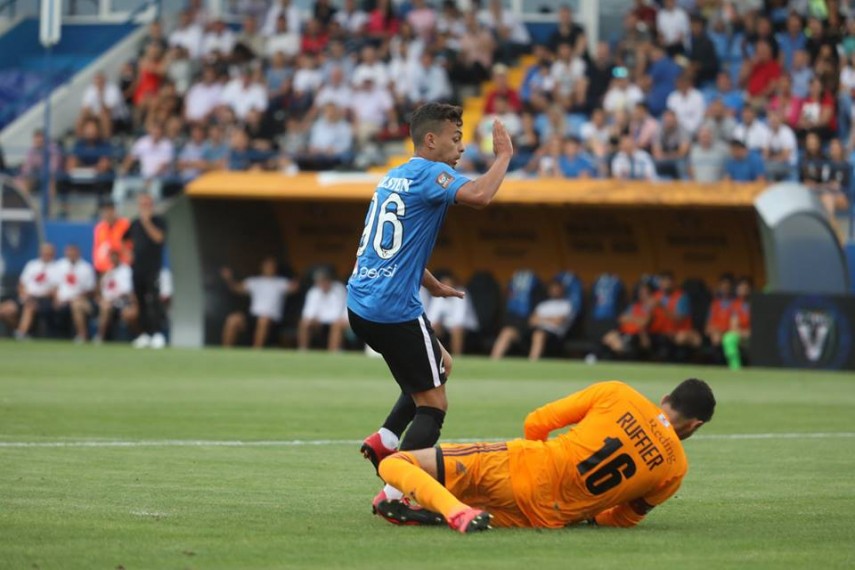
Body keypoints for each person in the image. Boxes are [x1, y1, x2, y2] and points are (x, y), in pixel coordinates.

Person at [347, 103, 513, 511]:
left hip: (361, 303)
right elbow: (479, 195)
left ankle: (385, 439)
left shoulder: (393, 176)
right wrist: (504, 156)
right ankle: (395, 496)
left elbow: (394, 246)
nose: (461, 148)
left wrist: (432, 284)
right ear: (431, 140)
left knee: (441, 364)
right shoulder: (429, 175)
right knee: (434, 405)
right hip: (393, 310)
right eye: (456, 139)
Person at [374, 378, 716, 533]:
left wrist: (536, 462)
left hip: (519, 466)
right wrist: (588, 514)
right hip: (547, 517)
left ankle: (453, 510)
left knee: (395, 463)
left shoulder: (618, 393)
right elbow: (625, 517)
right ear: (695, 425)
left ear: (665, 398)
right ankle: (442, 509)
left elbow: (536, 422)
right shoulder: (675, 468)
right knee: (458, 497)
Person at [220, 257, 299, 348]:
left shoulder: (281, 282)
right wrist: (229, 279)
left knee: (263, 320)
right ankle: (226, 350)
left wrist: (296, 277)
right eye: (267, 266)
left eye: (272, 266)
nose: (269, 268)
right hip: (253, 316)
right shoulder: (254, 281)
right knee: (233, 319)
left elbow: (294, 289)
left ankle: (256, 351)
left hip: (272, 319)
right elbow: (236, 288)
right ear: (262, 267)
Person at [122, 193, 168, 349]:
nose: (145, 207)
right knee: (140, 301)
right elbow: (124, 240)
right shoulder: (135, 223)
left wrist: (147, 222)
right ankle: (144, 334)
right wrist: (127, 254)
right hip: (137, 268)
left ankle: (157, 333)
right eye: (142, 204)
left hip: (153, 268)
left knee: (154, 301)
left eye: (147, 204)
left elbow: (159, 238)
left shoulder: (158, 221)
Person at [12, 243, 59, 340]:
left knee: (29, 306)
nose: (46, 255)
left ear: (53, 254)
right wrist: (23, 295)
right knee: (5, 309)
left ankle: (21, 334)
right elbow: (21, 284)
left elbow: (55, 290)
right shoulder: (31, 264)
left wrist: (36, 296)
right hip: (26, 296)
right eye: (44, 252)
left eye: (49, 253)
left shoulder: (57, 268)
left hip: (44, 299)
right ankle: (25, 331)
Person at [425, 272, 478, 356]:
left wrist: (443, 324)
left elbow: (459, 319)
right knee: (432, 327)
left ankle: (457, 357)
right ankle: (434, 356)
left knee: (456, 329)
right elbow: (431, 317)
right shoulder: (439, 293)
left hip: (467, 326)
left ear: (454, 284)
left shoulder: (461, 293)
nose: (446, 286)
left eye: (448, 284)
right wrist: (438, 324)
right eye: (444, 284)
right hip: (447, 325)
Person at [52, 244, 96, 342]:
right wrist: (55, 299)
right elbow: (54, 286)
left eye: (74, 252)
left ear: (78, 253)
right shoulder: (59, 266)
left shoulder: (86, 267)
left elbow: (90, 290)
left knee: (77, 305)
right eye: (69, 252)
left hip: (79, 299)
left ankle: (83, 335)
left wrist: (76, 297)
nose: (72, 254)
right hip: (61, 300)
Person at [297, 268, 348, 351]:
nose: (322, 283)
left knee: (337, 325)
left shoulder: (339, 289)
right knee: (304, 323)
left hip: (337, 320)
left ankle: (333, 352)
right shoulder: (313, 291)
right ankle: (303, 350)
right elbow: (308, 312)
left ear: (329, 280)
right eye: (319, 281)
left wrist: (341, 319)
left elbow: (342, 310)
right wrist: (311, 319)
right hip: (319, 320)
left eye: (324, 280)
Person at [601, 281, 655, 359]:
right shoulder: (634, 306)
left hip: (636, 334)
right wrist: (637, 319)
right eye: (641, 292)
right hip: (625, 331)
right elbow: (621, 319)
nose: (642, 295)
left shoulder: (650, 307)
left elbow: (644, 322)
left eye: (645, 293)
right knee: (608, 337)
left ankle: (622, 356)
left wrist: (630, 318)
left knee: (620, 344)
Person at [527, 279, 574, 361]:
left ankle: (532, 362)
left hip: (555, 336)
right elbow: (531, 321)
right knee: (536, 333)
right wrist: (550, 319)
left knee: (539, 334)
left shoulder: (566, 305)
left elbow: (558, 322)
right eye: (553, 289)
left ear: (562, 290)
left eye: (557, 289)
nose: (555, 291)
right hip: (535, 331)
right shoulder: (542, 305)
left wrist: (540, 319)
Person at [93, 249, 134, 343]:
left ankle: (100, 336)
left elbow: (126, 291)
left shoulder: (126, 270)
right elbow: (103, 289)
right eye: (111, 257)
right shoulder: (108, 271)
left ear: (119, 257)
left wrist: (111, 299)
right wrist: (100, 297)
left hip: (121, 302)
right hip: (106, 301)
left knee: (105, 306)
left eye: (115, 257)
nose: (113, 259)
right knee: (104, 305)